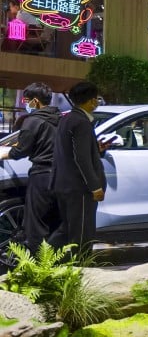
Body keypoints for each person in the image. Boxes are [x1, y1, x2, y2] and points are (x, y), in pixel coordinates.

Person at [0, 83, 60, 254]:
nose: (25, 103)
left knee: (36, 223)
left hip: (41, 175)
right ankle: (54, 261)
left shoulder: (33, 121)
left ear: (35, 101)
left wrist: (4, 153)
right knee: (54, 220)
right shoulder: (59, 119)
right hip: (60, 176)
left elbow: (21, 150)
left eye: (27, 100)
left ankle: (35, 265)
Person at [49, 81, 106, 256]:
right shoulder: (81, 122)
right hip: (79, 188)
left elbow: (67, 151)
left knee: (67, 229)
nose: (97, 102)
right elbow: (81, 159)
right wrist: (95, 186)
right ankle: (80, 271)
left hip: (63, 185)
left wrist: (95, 149)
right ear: (90, 101)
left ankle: (41, 260)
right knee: (82, 234)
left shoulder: (66, 119)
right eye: (96, 99)